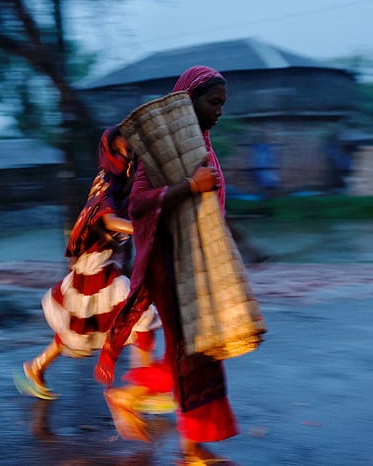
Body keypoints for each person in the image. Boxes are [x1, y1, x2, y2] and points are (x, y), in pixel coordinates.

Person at [95, 65, 239, 464]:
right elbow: (140, 203)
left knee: (200, 351)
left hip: (201, 264)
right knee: (190, 353)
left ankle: (134, 398)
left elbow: (213, 208)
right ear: (189, 103)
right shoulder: (159, 151)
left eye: (222, 104)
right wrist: (189, 187)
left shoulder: (204, 145)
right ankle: (192, 448)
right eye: (213, 103)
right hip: (171, 265)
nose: (219, 111)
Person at [15, 125, 161, 401]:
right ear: (107, 151)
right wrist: (141, 226)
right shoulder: (106, 179)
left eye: (128, 148)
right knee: (139, 315)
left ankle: (36, 367)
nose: (125, 153)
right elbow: (107, 220)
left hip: (102, 263)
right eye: (118, 148)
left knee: (81, 326)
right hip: (95, 265)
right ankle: (143, 386)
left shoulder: (123, 182)